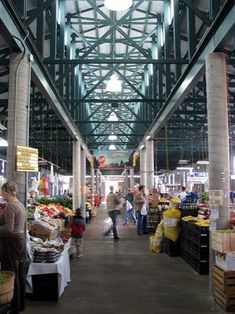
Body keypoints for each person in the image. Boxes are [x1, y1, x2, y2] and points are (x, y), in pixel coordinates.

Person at [0, 181, 27, 314]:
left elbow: (8, 230)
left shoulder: (11, 206)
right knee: (20, 273)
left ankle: (14, 307)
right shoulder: (20, 204)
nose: (2, 195)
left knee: (11, 274)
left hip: (11, 244)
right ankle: (21, 304)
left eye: (3, 192)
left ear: (9, 192)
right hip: (20, 242)